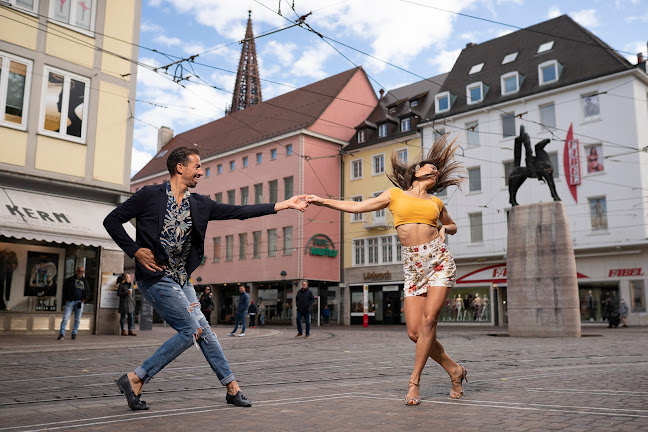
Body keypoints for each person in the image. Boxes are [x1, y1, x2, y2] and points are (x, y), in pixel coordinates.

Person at [103, 146, 307, 411]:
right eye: (197, 166)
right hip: (155, 278)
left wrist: (285, 205)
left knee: (205, 332)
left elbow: (239, 211)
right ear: (180, 167)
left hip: (182, 280)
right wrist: (134, 250)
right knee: (191, 331)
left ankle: (232, 388)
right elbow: (112, 220)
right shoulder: (150, 195)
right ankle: (136, 378)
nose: (201, 171)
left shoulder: (200, 204)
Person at [306, 136, 466, 405]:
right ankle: (455, 369)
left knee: (429, 323)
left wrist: (443, 228)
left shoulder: (436, 203)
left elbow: (453, 226)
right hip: (413, 265)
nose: (435, 171)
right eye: (430, 167)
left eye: (437, 171)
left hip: (438, 261)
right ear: (416, 172)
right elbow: (357, 206)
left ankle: (414, 382)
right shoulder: (394, 195)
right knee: (415, 333)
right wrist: (322, 202)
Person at [57, 267, 89, 340]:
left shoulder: (84, 281)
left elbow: (87, 291)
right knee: (65, 318)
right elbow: (64, 289)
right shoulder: (70, 280)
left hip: (79, 302)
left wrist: (84, 299)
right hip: (70, 301)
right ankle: (62, 333)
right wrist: (67, 297)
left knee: (77, 319)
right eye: (79, 271)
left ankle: (74, 333)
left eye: (82, 271)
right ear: (76, 271)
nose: (80, 272)